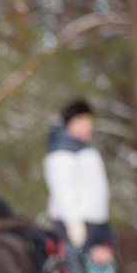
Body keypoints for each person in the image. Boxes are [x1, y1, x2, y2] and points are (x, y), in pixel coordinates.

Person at [43, 99, 108, 248]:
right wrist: (73, 222)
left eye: (89, 124)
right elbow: (62, 187)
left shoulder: (83, 148)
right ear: (71, 123)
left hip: (93, 221)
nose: (88, 128)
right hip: (74, 224)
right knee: (73, 267)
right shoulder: (61, 152)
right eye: (83, 124)